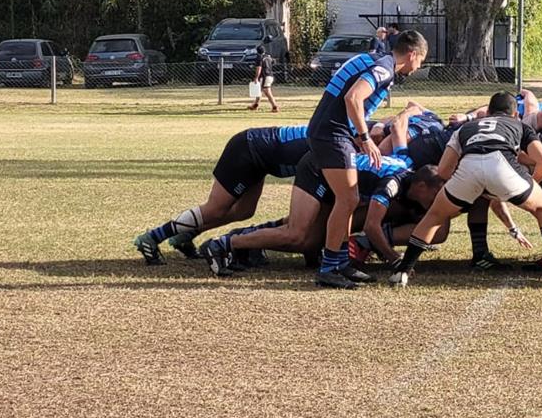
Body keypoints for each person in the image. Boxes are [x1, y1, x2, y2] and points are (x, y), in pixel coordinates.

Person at [388, 92, 542, 287]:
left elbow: (443, 170)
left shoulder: (465, 128)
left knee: (434, 216)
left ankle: (403, 271)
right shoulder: (520, 125)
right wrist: (531, 186)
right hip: (502, 165)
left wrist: (468, 184)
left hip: (468, 167)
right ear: (515, 114)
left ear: (488, 112)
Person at [305, 29, 428, 286]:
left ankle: (341, 263)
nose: (418, 68)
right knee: (348, 199)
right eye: (421, 61)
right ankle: (329, 269)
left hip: (335, 133)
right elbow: (353, 98)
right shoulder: (384, 67)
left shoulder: (377, 60)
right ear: (413, 54)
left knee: (350, 200)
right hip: (331, 134)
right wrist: (365, 138)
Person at [199, 148, 426, 286]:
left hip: (332, 175)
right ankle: (223, 244)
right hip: (317, 169)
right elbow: (371, 226)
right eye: (434, 194)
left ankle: (338, 264)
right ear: (422, 186)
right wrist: (397, 260)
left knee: (313, 238)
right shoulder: (392, 184)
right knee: (297, 235)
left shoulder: (406, 167)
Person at [133, 125, 312, 264]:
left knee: (244, 211)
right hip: (247, 149)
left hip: (259, 157)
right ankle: (152, 237)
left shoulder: (330, 135)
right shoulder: (330, 141)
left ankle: (185, 235)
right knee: (215, 208)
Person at [247, 46, 278, 112]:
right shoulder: (268, 57)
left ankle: (274, 106)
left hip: (264, 77)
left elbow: (259, 68)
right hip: (270, 76)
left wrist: (256, 77)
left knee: (267, 92)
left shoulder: (259, 58)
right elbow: (273, 62)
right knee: (259, 91)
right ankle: (255, 105)